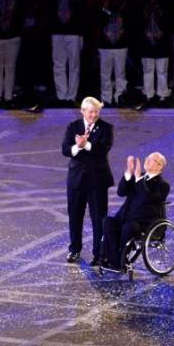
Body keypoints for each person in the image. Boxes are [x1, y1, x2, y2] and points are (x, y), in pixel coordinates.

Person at [61, 97, 114, 264]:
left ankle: (99, 254)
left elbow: (103, 149)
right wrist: (77, 147)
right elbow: (65, 149)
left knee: (98, 218)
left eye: (96, 112)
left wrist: (86, 144)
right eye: (90, 111)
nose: (93, 115)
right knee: (75, 216)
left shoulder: (106, 128)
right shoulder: (73, 127)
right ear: (82, 111)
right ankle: (74, 250)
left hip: (97, 181)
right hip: (76, 181)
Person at [101, 153, 170, 270]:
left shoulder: (162, 185)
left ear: (159, 166)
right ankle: (113, 260)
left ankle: (121, 261)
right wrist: (128, 173)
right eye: (147, 158)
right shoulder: (139, 177)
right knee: (107, 222)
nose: (147, 161)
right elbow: (121, 192)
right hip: (125, 217)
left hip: (144, 223)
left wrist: (138, 179)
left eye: (152, 160)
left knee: (128, 227)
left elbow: (147, 198)